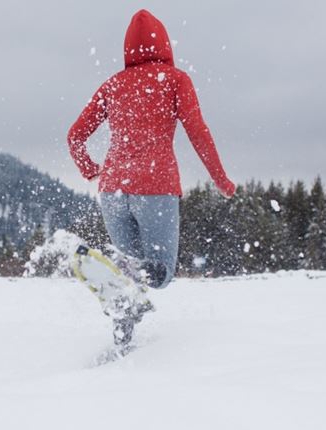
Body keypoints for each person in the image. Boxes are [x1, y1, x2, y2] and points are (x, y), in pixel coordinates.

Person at [68, 9, 236, 292]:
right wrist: (220, 180)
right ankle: (125, 272)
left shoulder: (113, 84)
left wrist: (90, 169)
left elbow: (74, 136)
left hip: (112, 191)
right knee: (161, 273)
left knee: (128, 277)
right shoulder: (175, 80)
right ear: (165, 44)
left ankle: (125, 314)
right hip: (156, 188)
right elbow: (198, 132)